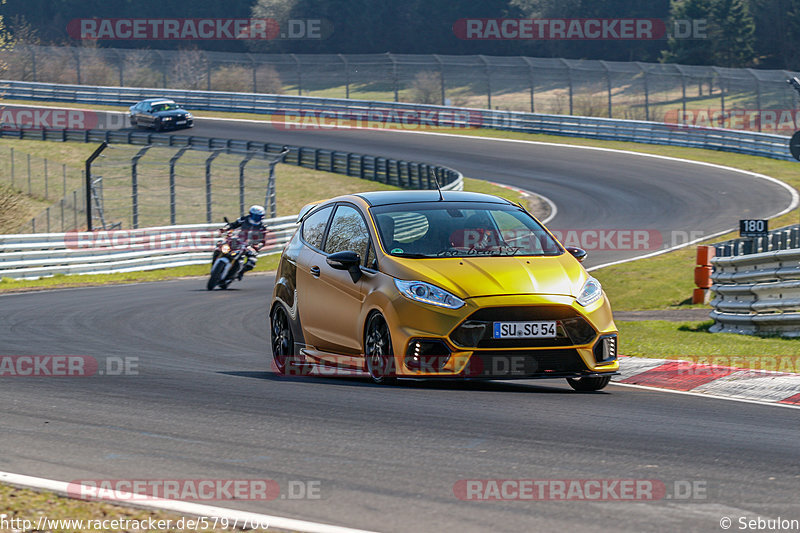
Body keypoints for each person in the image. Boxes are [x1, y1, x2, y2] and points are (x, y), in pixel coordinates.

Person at [218, 205, 268, 280]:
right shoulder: (244, 219)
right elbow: (233, 225)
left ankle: (240, 272)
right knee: (220, 245)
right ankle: (217, 259)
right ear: (250, 214)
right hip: (238, 240)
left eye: (258, 216)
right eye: (254, 216)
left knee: (252, 262)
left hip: (249, 245)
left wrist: (257, 246)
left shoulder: (262, 227)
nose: (256, 218)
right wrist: (225, 229)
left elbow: (262, 241)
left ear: (262, 217)